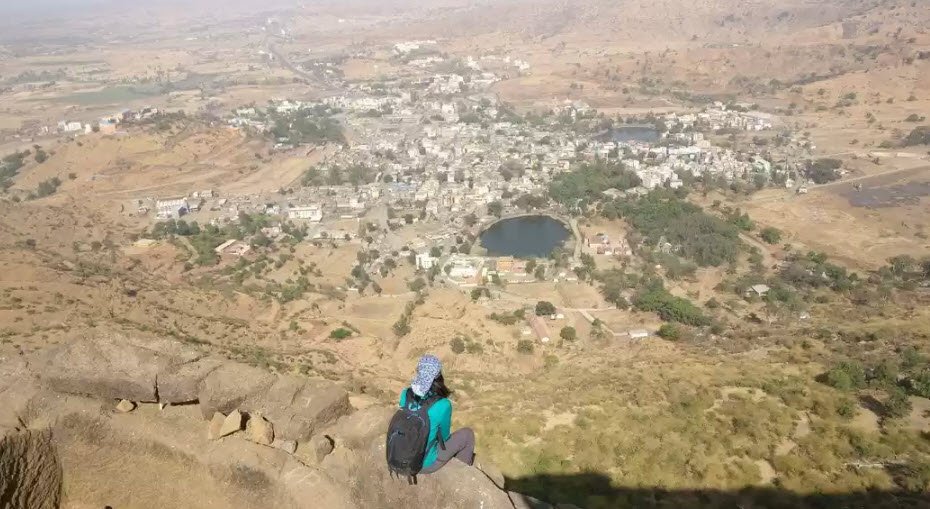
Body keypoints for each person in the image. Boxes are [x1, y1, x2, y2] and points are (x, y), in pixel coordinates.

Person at [398, 354, 475, 474]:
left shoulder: (405, 393)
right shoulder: (443, 404)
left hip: (400, 457)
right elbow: (444, 438)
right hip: (424, 464)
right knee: (467, 434)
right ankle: (462, 473)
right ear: (438, 377)